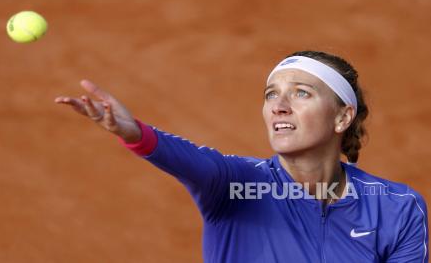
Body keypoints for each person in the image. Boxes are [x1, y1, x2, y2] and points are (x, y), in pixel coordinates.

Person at [55, 50, 428, 262]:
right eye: (271, 94)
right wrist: (132, 132)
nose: (279, 106)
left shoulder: (397, 208)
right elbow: (178, 154)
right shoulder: (235, 185)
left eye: (300, 93)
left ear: (343, 117)